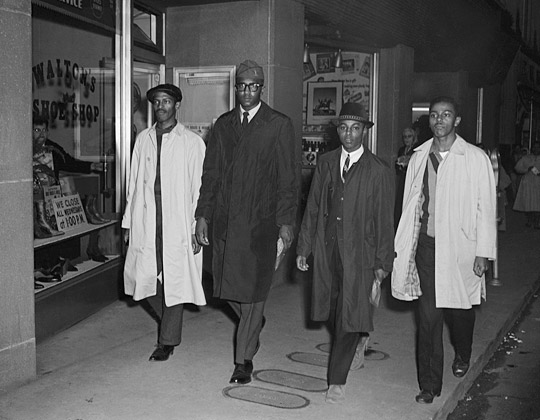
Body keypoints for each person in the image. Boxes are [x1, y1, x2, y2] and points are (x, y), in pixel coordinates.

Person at [195, 60, 298, 385]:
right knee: (224, 288)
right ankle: (254, 323)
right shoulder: (223, 125)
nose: (248, 92)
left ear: (261, 89)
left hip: (260, 223)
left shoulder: (278, 124)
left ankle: (243, 361)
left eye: (254, 86)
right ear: (235, 88)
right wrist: (203, 215)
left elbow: (288, 179)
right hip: (226, 220)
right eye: (243, 86)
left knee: (253, 292)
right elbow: (209, 175)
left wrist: (285, 222)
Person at [392, 96, 497, 404]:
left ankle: (462, 352)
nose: (440, 120)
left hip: (461, 248)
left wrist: (483, 251)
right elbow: (409, 206)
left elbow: (485, 208)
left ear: (457, 121)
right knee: (428, 318)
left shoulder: (474, 157)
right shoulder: (419, 156)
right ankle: (429, 384)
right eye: (435, 115)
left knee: (461, 311)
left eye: (446, 115)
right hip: (426, 247)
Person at [296, 102, 395, 403]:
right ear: (337, 130)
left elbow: (384, 219)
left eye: (355, 128)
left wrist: (383, 262)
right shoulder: (325, 163)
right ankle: (359, 336)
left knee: (348, 313)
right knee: (329, 309)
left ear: (364, 130)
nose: (348, 134)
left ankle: (336, 379)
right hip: (328, 251)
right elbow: (313, 207)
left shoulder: (378, 170)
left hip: (360, 255)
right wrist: (304, 247)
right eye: (343, 127)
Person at [122, 83, 206, 362]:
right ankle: (170, 324)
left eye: (166, 101)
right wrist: (128, 223)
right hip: (148, 220)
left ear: (177, 105)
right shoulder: (142, 139)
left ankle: (167, 340)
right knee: (144, 278)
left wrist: (197, 227)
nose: (161, 106)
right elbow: (133, 184)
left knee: (175, 276)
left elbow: (198, 189)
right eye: (157, 101)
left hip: (177, 222)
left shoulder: (192, 142)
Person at [513, 141, 540, 228]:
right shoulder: (526, 158)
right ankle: (530, 221)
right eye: (534, 147)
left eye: (538, 147)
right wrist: (527, 169)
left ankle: (537, 222)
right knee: (529, 202)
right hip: (528, 183)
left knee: (537, 203)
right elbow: (517, 168)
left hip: (538, 183)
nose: (536, 149)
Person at [395, 126, 417, 227]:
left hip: (412, 180)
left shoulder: (416, 150)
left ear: (413, 137)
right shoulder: (401, 150)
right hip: (403, 180)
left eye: (409, 136)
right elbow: (397, 168)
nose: (407, 139)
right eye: (405, 137)